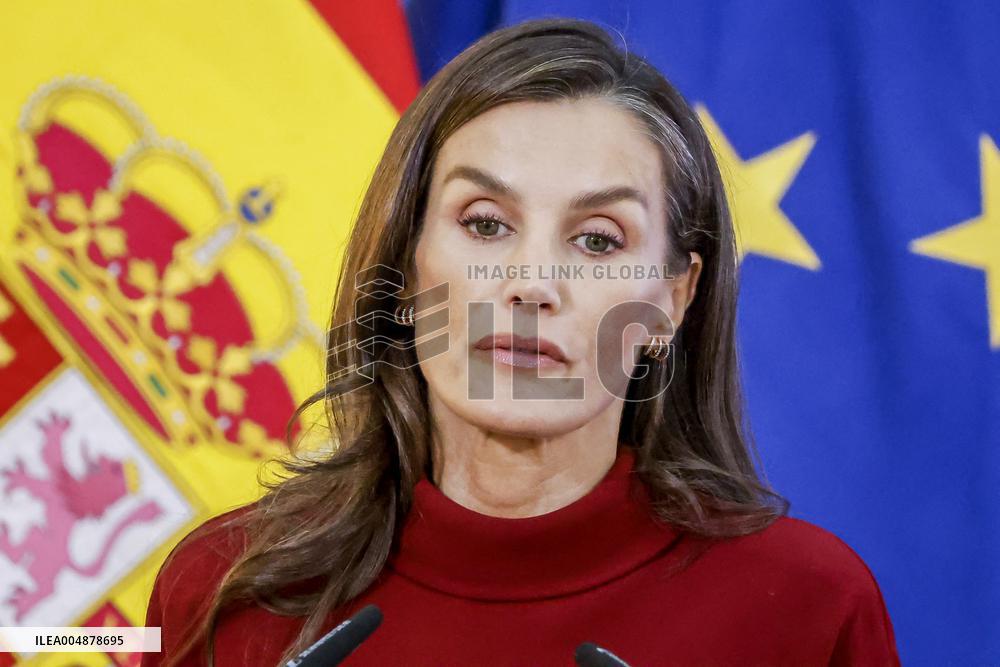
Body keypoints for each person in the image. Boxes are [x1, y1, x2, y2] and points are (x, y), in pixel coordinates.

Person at [141, 17, 900, 667]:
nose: (531, 283)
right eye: (484, 224)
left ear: (672, 301)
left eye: (598, 240)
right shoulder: (223, 587)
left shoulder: (807, 608)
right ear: (405, 273)